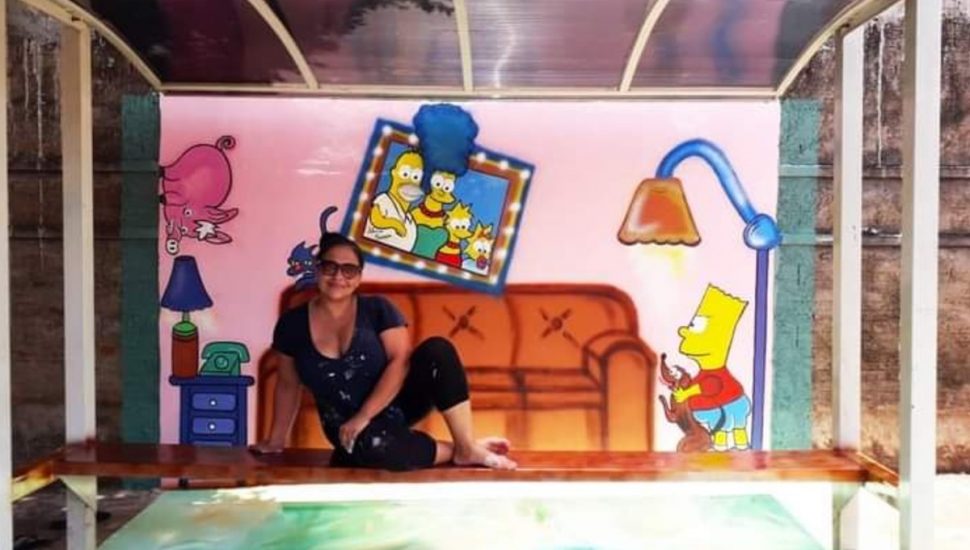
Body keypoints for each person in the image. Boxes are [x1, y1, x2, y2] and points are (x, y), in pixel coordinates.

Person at [251, 232, 517, 471]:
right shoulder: (292, 324)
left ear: (359, 277)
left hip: (394, 404)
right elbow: (287, 385)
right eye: (330, 267)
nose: (338, 277)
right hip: (344, 425)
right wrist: (276, 440)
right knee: (375, 447)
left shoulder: (378, 309)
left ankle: (466, 446)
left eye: (349, 270)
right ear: (318, 270)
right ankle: (459, 450)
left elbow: (400, 361)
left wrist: (364, 416)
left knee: (438, 350)